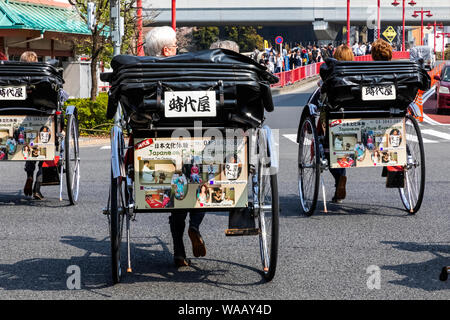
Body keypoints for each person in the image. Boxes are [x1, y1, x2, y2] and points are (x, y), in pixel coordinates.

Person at [143, 27, 207, 267]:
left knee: (176, 190)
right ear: (167, 50)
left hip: (157, 144)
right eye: (175, 47)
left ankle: (179, 250)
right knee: (198, 184)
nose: (178, 50)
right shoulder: (187, 71)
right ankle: (195, 226)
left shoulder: (141, 74)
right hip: (194, 140)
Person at [21, 51, 45, 200]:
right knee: (44, 151)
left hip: (18, 118)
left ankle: (29, 175)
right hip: (40, 117)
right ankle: (38, 185)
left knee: (29, 146)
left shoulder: (14, 79)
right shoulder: (42, 77)